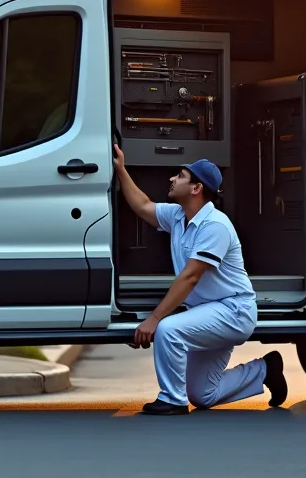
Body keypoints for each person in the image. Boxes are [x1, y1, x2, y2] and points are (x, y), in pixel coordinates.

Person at [112, 144, 288, 415]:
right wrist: (120, 169)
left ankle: (171, 399)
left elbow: (191, 277)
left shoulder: (215, 226)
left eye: (180, 176)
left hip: (233, 311)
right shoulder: (178, 216)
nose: (172, 179)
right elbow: (143, 205)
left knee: (169, 330)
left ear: (196, 188)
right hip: (209, 312)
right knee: (203, 394)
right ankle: (265, 369)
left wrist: (155, 319)